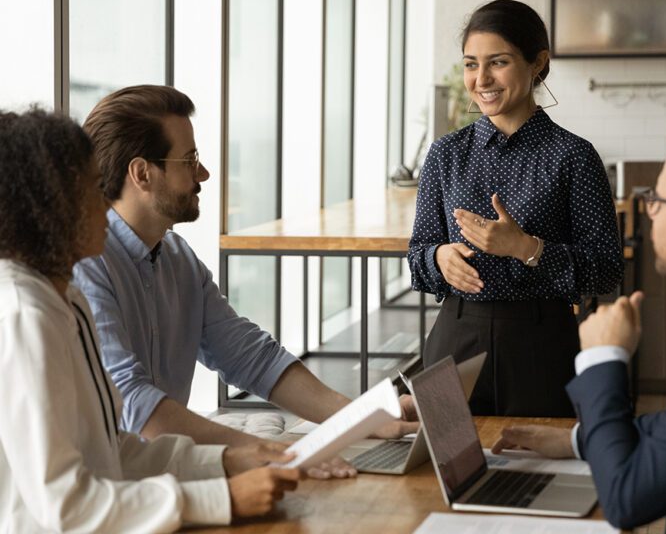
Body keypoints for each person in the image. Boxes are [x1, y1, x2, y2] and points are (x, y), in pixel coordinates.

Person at [72, 85, 417, 466]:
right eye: (189, 161)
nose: (203, 173)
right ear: (142, 174)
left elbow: (253, 358)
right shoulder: (85, 267)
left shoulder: (177, 257)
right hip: (111, 487)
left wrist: (366, 416)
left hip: (169, 469)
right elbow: (133, 406)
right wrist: (265, 452)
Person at [0, 109, 303, 532]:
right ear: (44, 207)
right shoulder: (23, 316)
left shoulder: (65, 298)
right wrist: (221, 497)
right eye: (90, 187)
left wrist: (226, 460)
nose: (105, 198)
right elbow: (66, 506)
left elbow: (111, 452)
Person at [491, 120, 666, 532]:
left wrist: (605, 357)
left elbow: (625, 499)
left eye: (658, 199)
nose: (649, 210)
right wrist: (577, 439)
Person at [408, 0, 623, 417]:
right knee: (443, 472)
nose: (481, 79)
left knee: (540, 473)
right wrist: (438, 257)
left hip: (540, 344)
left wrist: (527, 248)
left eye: (498, 62)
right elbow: (417, 255)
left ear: (537, 63)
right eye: (471, 64)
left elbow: (607, 269)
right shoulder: (445, 154)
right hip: (454, 336)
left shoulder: (573, 156)